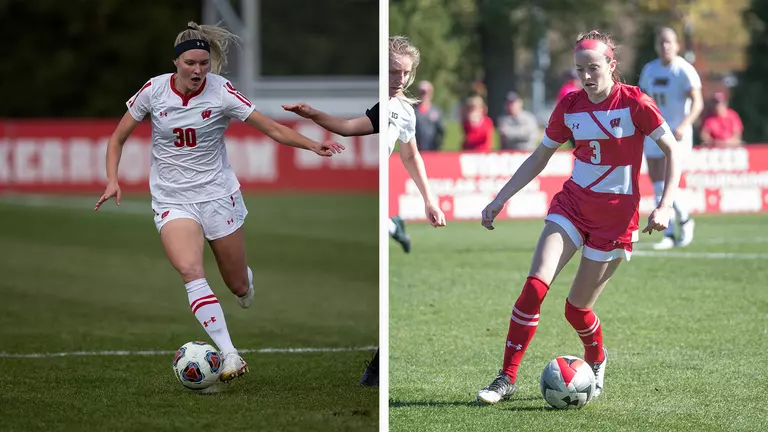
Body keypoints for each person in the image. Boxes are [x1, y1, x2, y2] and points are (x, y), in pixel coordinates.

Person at [94, 22, 344, 384]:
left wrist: (312, 144)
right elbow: (118, 138)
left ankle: (246, 282)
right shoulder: (153, 91)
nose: (198, 71)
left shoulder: (223, 92)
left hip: (217, 195)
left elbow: (272, 129)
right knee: (191, 271)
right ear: (176, 63)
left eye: (205, 63)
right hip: (172, 199)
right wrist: (113, 179)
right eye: (191, 63)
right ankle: (229, 353)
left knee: (238, 286)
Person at [476, 30, 682, 405]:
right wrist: (500, 198)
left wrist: (665, 204)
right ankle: (505, 378)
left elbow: (673, 151)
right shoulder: (569, 106)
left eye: (594, 68)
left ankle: (596, 357)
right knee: (535, 287)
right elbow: (539, 157)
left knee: (576, 310)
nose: (586, 77)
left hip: (616, 222)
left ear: (611, 66)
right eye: (580, 70)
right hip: (571, 207)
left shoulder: (636, 102)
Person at [282, 35, 447, 387]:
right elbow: (347, 127)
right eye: (392, 71)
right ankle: (376, 367)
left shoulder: (403, 110)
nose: (399, 78)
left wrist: (429, 200)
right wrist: (312, 114)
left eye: (404, 73)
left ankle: (376, 368)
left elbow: (411, 155)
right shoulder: (383, 106)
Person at [638, 27, 703, 249]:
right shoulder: (650, 69)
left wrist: (685, 125)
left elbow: (698, 102)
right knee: (656, 180)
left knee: (669, 179)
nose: (665, 46)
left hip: (676, 133)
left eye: (669, 42)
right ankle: (669, 231)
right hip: (654, 131)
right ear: (656, 45)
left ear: (677, 45)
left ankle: (684, 220)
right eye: (661, 42)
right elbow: (643, 100)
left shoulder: (684, 70)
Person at [414, 81, 445, 151]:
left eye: (426, 92)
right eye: (421, 92)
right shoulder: (412, 111)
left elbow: (442, 131)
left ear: (431, 93)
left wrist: (439, 144)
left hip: (432, 150)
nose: (424, 95)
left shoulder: (436, 111)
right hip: (415, 151)